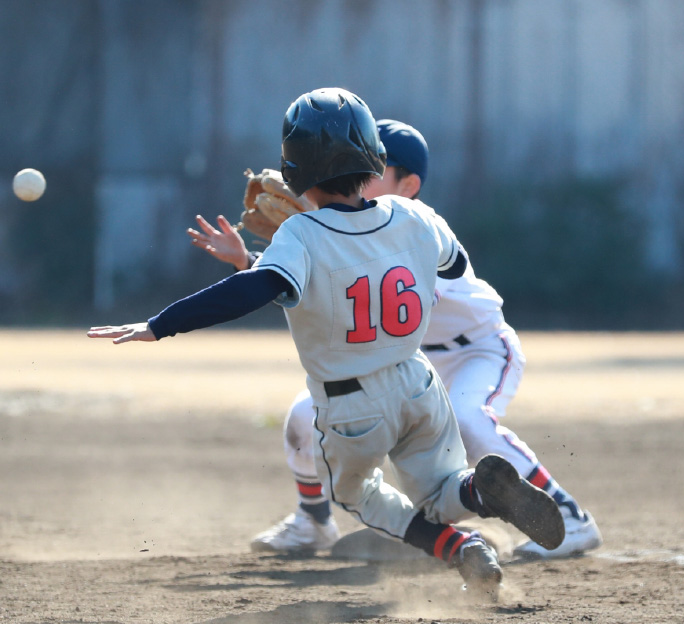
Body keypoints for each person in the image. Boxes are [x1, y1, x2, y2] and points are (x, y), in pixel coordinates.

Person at [90, 88, 564, 595]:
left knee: (359, 495)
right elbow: (454, 266)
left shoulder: (300, 235)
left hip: (353, 404)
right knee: (442, 489)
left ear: (294, 171)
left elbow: (252, 292)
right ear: (374, 158)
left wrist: (162, 323)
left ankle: (460, 547)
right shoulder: (415, 217)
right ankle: (481, 493)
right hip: (419, 384)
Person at [187, 119, 602, 561]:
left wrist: (315, 231)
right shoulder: (348, 229)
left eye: (376, 163)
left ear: (409, 184)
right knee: (306, 413)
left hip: (477, 351)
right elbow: (318, 290)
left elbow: (369, 289)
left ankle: (569, 516)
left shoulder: (413, 227)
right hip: (408, 361)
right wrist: (252, 262)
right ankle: (313, 521)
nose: (360, 169)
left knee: (468, 420)